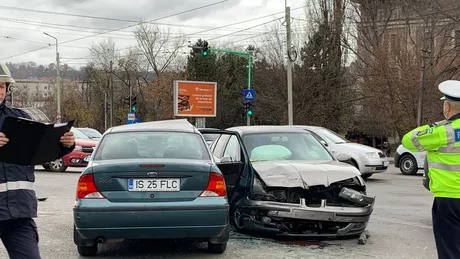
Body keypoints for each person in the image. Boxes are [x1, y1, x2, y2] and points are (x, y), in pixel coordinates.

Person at [0, 63, 76, 259]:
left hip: (19, 213)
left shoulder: (19, 119)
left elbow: (40, 153)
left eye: (1, 86)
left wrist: (64, 144)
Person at [401, 80, 460, 259]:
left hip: (449, 200)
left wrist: (439, 124)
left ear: (447, 107)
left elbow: (408, 140)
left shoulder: (443, 132)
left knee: (450, 250)